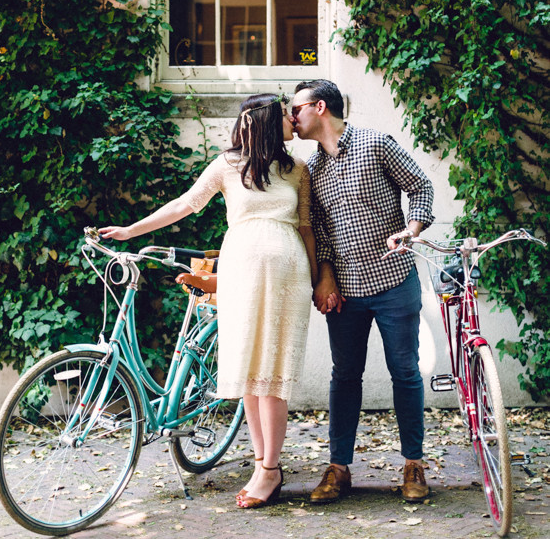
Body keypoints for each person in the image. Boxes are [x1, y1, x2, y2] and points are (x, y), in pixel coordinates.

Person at [99, 93, 317, 509]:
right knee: (248, 373)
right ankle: (262, 464)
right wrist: (131, 231)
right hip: (240, 273)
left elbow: (305, 227)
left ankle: (270, 469)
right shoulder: (226, 165)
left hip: (288, 278)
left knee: (272, 374)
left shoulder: (297, 170)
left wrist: (316, 279)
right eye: (285, 113)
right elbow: (186, 204)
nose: (293, 119)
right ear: (268, 122)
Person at [291, 79, 435, 504]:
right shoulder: (310, 170)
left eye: (295, 108)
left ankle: (414, 464)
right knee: (345, 375)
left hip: (394, 281)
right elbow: (319, 229)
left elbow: (421, 187)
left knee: (405, 372)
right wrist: (325, 275)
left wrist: (410, 230)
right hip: (346, 292)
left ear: (319, 108)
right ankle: (339, 468)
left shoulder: (376, 143)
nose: (291, 117)